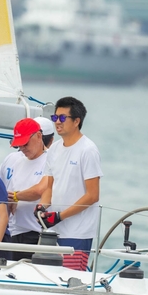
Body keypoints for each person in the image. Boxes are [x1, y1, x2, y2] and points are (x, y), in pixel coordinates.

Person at [36, 96, 102, 253]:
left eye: (62, 118)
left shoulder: (88, 150)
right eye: (55, 118)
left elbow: (93, 195)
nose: (57, 122)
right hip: (53, 231)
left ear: (76, 121)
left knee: (70, 271)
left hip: (78, 233)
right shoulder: (53, 149)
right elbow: (50, 187)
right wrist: (42, 207)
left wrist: (60, 216)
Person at [1, 118, 49, 260]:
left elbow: (39, 190)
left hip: (39, 233)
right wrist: (12, 198)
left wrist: (16, 196)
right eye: (19, 145)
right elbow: (11, 195)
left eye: (25, 144)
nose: (22, 148)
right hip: (16, 231)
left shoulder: (52, 159)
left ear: (39, 136)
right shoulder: (18, 162)